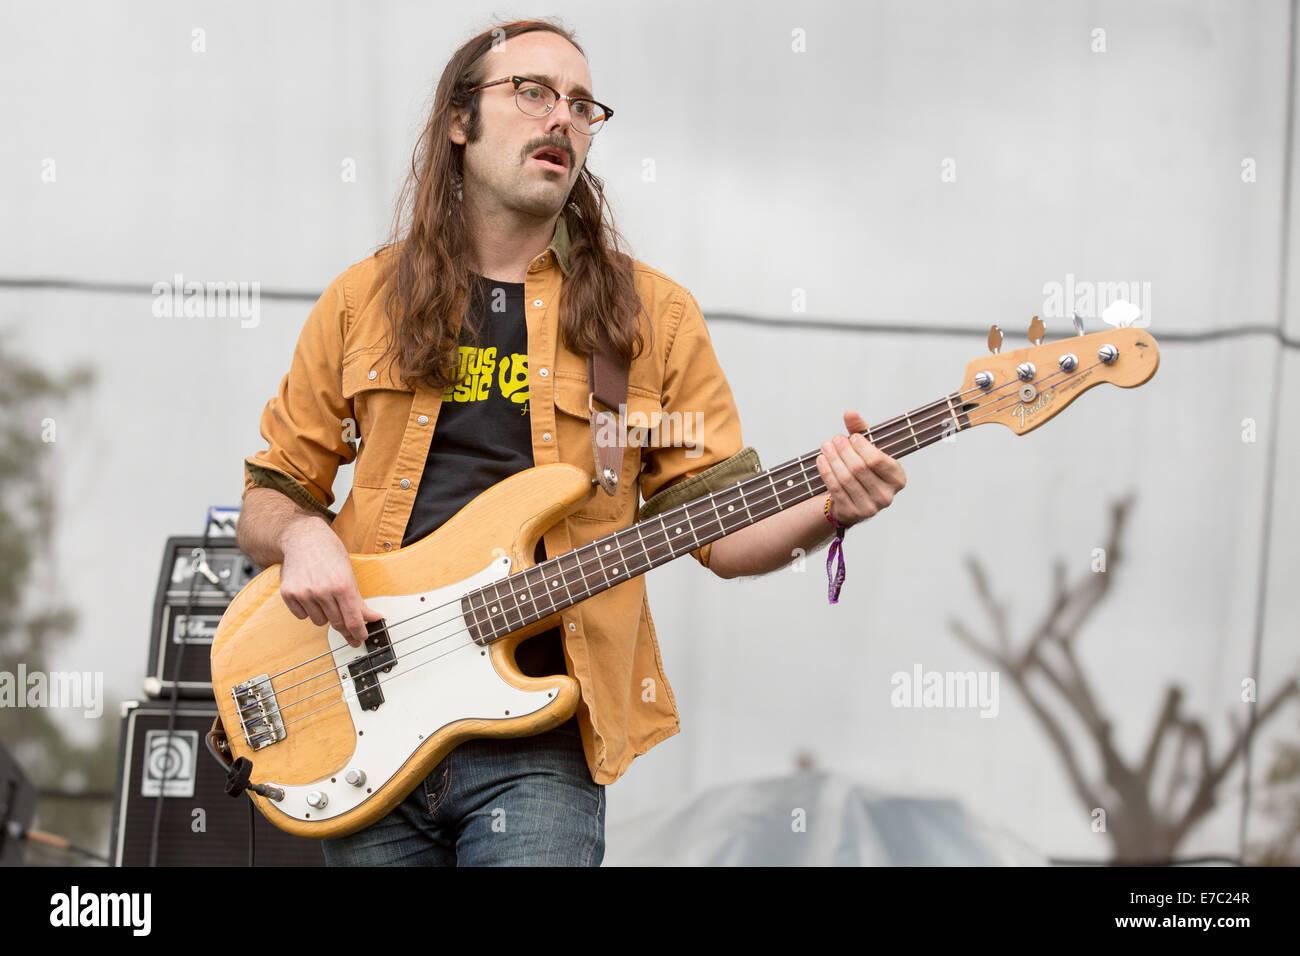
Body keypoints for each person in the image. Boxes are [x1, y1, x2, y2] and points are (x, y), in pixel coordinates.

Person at [235, 18, 906, 867]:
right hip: (367, 716)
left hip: (540, 739)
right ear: (458, 120)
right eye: (533, 93)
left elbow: (721, 534)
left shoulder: (649, 319)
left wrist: (829, 509)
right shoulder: (360, 299)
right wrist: (301, 536)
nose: (562, 118)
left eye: (582, 105)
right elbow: (273, 491)